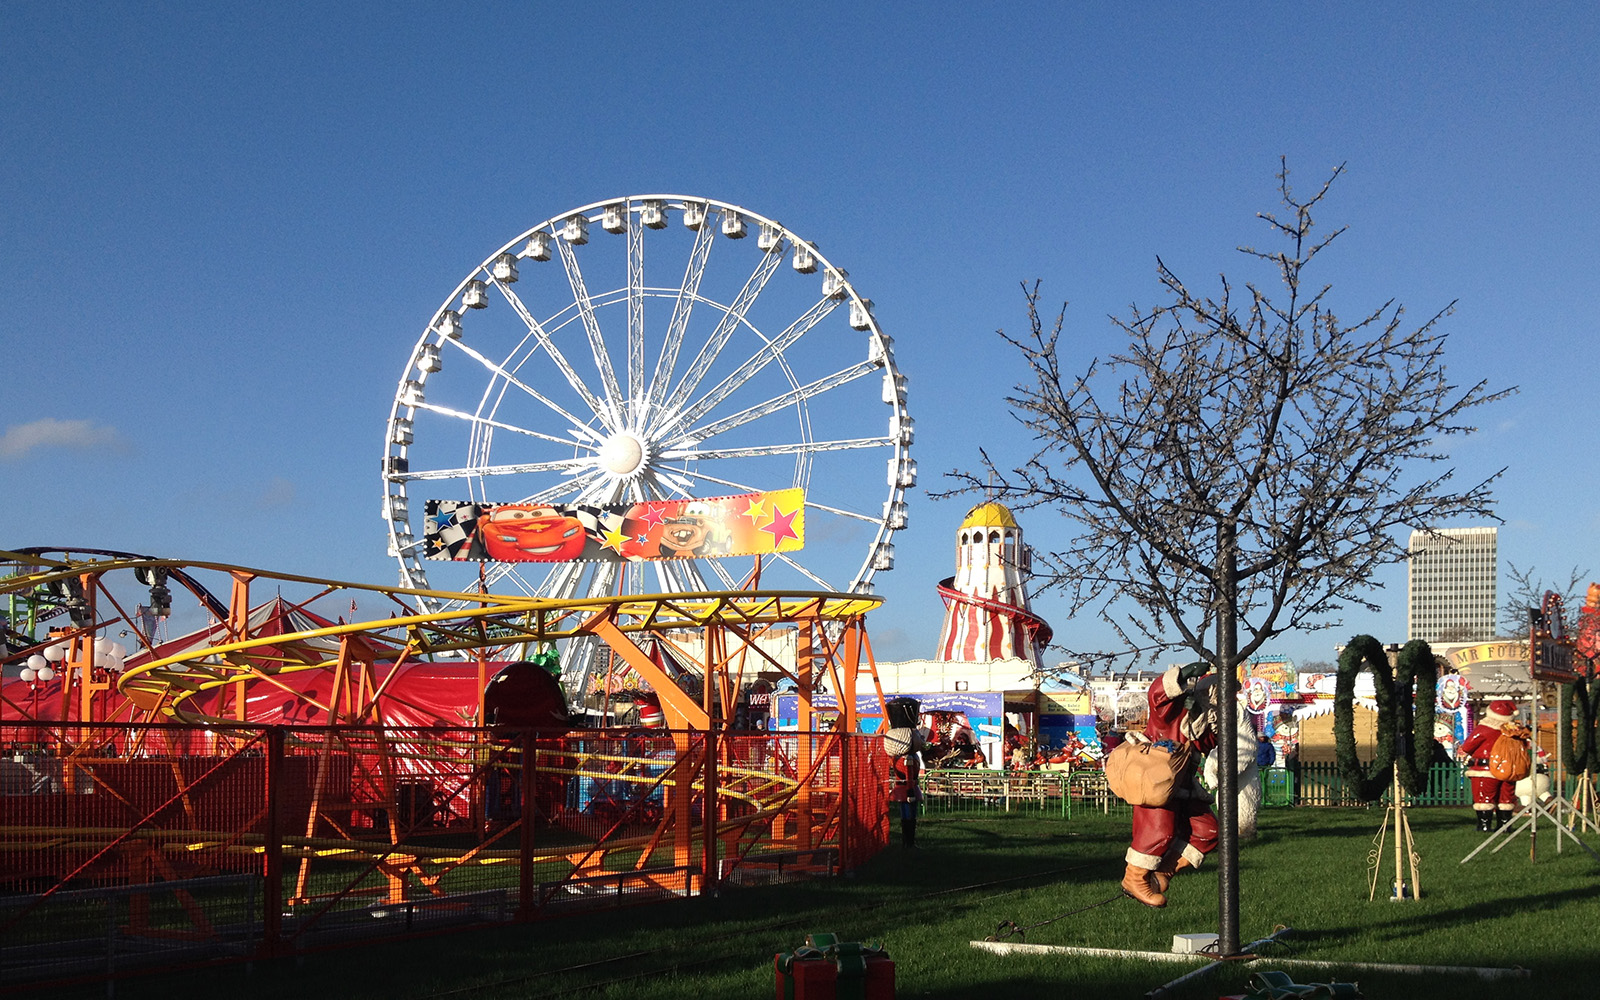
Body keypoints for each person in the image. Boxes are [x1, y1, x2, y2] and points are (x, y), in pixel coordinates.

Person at [1122, 660, 1219, 908]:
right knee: (1158, 832)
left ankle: (1164, 871)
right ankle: (1134, 878)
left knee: (1207, 831)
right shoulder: (1171, 713)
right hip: (1156, 778)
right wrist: (1181, 676)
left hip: (1184, 786)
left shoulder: (1204, 725)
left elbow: (1207, 742)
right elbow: (1156, 694)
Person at [1460, 699, 1523, 832]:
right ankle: (1505, 826)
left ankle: (1484, 825)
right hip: (1508, 769)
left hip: (1485, 769)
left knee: (1484, 798)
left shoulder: (1484, 729)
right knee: (1505, 798)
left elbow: (1467, 746)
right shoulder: (1513, 730)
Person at [889, 749, 922, 848]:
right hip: (907, 789)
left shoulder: (897, 757)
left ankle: (907, 842)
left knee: (908, 815)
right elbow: (909, 776)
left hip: (905, 788)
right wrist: (910, 792)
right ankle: (909, 842)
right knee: (909, 815)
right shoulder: (908, 758)